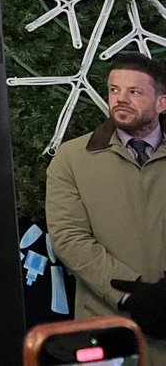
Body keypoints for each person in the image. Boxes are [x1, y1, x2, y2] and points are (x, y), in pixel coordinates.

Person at [47, 52, 166, 358]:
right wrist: (130, 294)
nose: (120, 99)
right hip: (107, 330)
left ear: (161, 103)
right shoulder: (72, 158)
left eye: (134, 92)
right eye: (114, 90)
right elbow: (69, 237)